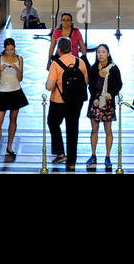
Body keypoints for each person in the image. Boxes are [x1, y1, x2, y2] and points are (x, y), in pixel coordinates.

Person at [45, 38, 88, 170]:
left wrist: (47, 84)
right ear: (71, 48)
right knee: (73, 129)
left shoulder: (55, 64)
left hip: (58, 102)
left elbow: (50, 86)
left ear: (58, 49)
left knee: (53, 123)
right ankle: (72, 161)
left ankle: (60, 153)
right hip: (76, 102)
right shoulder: (80, 62)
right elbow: (85, 81)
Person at [0, 38, 28, 163]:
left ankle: (9, 146)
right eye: (8, 49)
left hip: (16, 91)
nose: (10, 52)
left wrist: (17, 69)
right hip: (3, 92)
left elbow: (20, 78)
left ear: (14, 48)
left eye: (12, 49)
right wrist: (0, 69)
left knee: (13, 119)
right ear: (4, 48)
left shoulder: (19, 59)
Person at [86, 43, 122, 171]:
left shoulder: (114, 69)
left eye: (103, 52)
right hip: (95, 103)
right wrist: (95, 98)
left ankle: (107, 156)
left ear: (108, 54)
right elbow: (90, 86)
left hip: (108, 104)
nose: (100, 54)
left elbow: (119, 84)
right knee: (94, 130)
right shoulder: (94, 68)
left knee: (108, 130)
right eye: (98, 52)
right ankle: (93, 154)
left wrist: (111, 94)